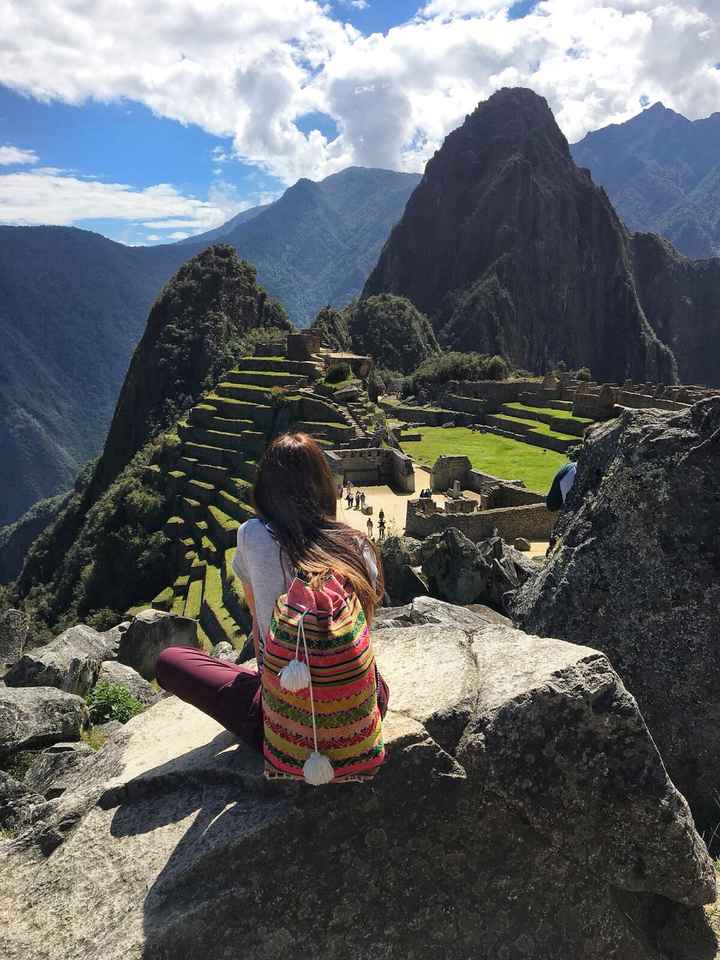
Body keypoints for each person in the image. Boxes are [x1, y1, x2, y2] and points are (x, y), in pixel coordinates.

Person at [156, 432, 389, 753]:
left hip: (284, 726)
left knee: (171, 661)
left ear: (265, 488)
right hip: (361, 709)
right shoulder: (358, 545)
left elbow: (260, 626)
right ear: (324, 486)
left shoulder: (253, 536)